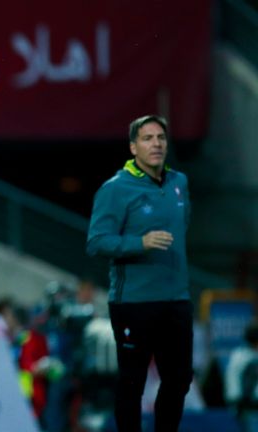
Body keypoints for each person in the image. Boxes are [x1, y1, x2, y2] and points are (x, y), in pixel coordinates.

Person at [86, 115, 192, 432]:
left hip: (176, 299)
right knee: (133, 381)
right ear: (133, 147)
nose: (156, 144)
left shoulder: (179, 183)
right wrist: (139, 243)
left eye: (161, 137)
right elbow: (96, 242)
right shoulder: (115, 189)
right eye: (147, 138)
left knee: (180, 379)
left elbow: (182, 225)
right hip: (133, 302)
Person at [225, 321, 258, 417]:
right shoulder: (243, 357)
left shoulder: (237, 355)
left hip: (242, 404)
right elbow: (233, 383)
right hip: (246, 406)